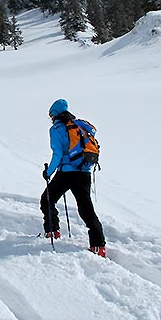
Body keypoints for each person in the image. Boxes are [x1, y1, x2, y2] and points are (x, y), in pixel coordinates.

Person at [40, 98, 107, 257]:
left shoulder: (56, 129)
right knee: (86, 208)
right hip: (84, 172)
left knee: (47, 200)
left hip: (66, 173)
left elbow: (57, 155)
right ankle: (99, 246)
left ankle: (52, 232)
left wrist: (48, 173)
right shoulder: (80, 126)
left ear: (54, 114)